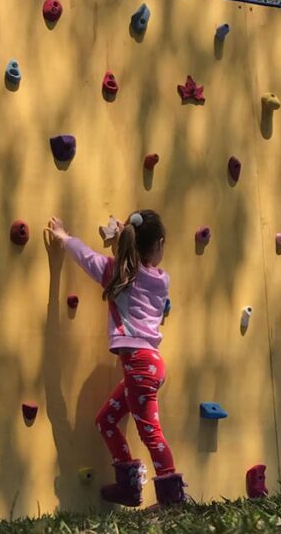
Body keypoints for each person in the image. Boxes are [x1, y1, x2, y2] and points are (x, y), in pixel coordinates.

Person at [46, 210, 187, 507]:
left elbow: (86, 258)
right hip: (147, 365)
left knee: (152, 434)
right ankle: (129, 486)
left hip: (138, 366)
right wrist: (124, 245)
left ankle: (172, 500)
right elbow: (133, 271)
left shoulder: (115, 273)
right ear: (159, 244)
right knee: (106, 420)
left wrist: (64, 237)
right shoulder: (161, 280)